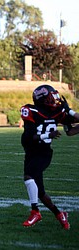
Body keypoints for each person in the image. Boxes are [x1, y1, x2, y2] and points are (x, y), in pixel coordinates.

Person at [20, 84, 79, 230]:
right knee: (40, 192)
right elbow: (30, 136)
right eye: (51, 97)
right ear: (43, 99)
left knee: (29, 176)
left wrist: (69, 111)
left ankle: (35, 211)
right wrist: (48, 134)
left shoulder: (58, 112)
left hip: (44, 153)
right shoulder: (31, 111)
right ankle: (60, 214)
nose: (55, 100)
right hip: (31, 151)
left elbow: (70, 131)